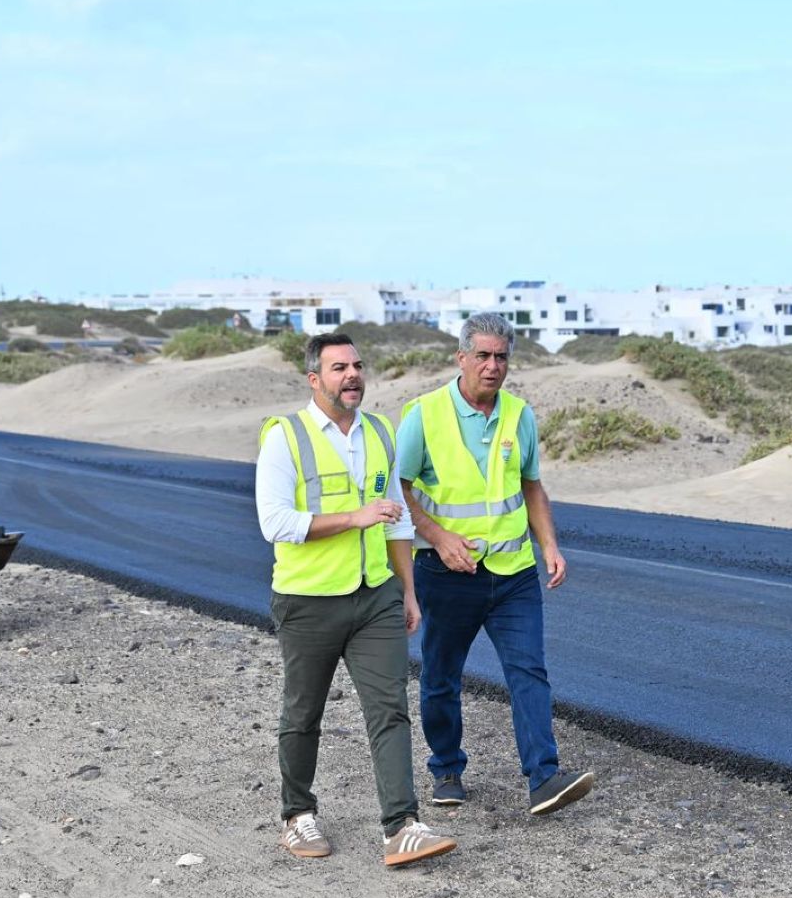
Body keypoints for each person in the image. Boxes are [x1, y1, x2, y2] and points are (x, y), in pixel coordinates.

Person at [255, 332, 456, 867]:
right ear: (313, 379)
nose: (352, 375)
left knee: (390, 710)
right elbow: (274, 522)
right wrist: (354, 517)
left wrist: (407, 591)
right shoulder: (286, 437)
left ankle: (402, 826)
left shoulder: (380, 433)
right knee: (304, 713)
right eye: (339, 367)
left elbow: (399, 519)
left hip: (376, 599)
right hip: (308, 600)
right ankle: (297, 816)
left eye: (358, 365)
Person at [396, 312, 596, 816]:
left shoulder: (519, 415)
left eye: (501, 357)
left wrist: (549, 544)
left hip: (513, 576)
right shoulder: (422, 415)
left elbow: (531, 485)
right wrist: (438, 536)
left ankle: (544, 777)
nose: (492, 366)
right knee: (441, 676)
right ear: (461, 358)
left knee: (529, 671)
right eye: (482, 356)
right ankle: (446, 768)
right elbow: (397, 490)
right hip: (446, 575)